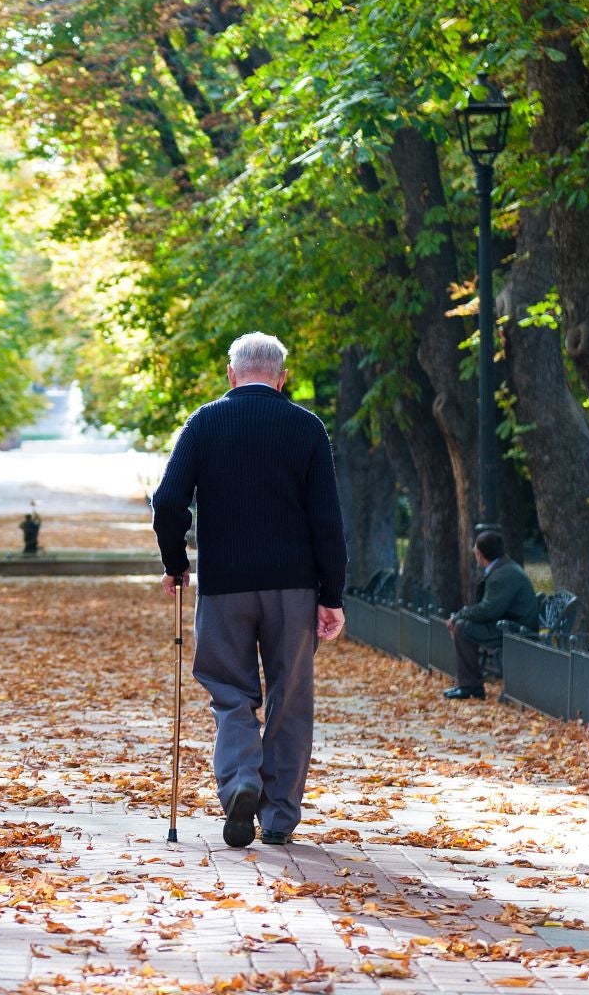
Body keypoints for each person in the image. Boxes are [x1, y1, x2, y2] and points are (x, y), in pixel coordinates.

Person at [151, 332, 347, 849]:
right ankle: (279, 816)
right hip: (293, 588)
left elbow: (169, 500)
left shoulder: (205, 422)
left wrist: (177, 562)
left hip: (225, 588)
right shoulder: (306, 427)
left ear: (231, 374)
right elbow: (327, 519)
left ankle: (241, 779)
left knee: (229, 691)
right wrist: (333, 594)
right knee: (290, 696)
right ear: (282, 378)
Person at [443, 529, 538, 701]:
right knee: (463, 625)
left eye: (475, 551)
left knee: (462, 628)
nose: (474, 553)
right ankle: (469, 684)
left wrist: (459, 616)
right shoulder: (504, 568)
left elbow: (488, 610)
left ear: (480, 554)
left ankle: (470, 686)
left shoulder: (501, 576)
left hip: (513, 629)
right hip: (510, 623)